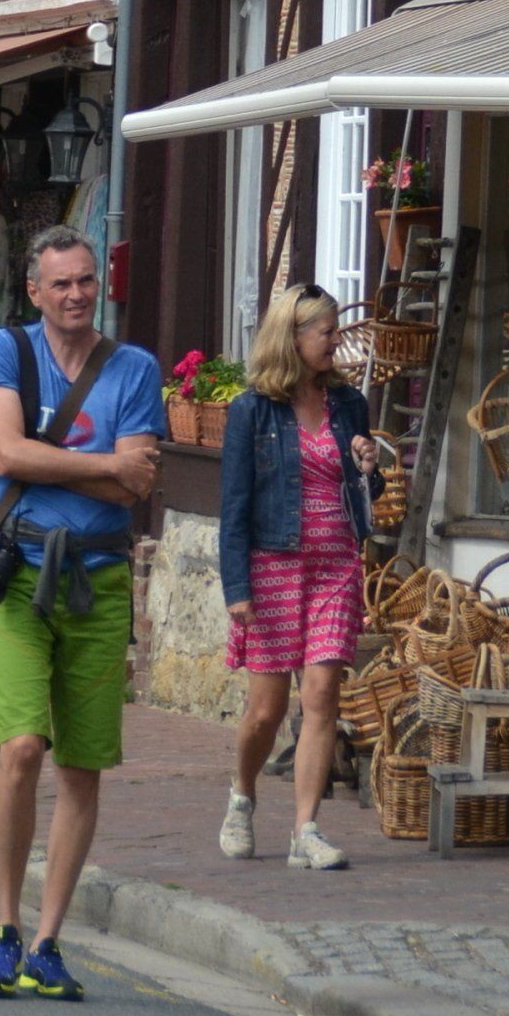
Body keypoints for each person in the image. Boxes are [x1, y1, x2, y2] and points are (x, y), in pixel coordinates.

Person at [0, 225, 162, 1002]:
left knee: (81, 764)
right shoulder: (7, 351)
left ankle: (48, 942)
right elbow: (8, 454)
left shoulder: (134, 367)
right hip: (18, 573)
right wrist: (104, 463)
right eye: (62, 284)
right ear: (35, 292)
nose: (77, 294)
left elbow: (136, 486)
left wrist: (51, 463)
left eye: (86, 280)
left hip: (100, 579)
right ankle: (4, 927)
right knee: (21, 747)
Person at [216, 283, 377, 871]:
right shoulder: (251, 410)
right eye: (327, 332)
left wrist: (369, 468)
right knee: (265, 710)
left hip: (336, 565)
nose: (336, 342)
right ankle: (242, 795)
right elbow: (234, 506)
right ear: (294, 337)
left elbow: (365, 489)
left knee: (322, 695)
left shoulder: (349, 403)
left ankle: (305, 830)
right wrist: (237, 588)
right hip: (272, 566)